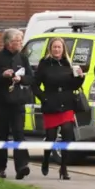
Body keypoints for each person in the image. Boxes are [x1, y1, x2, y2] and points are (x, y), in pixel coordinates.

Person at [35, 37, 86, 180]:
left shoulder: (67, 63)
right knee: (51, 137)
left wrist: (80, 77)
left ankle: (64, 168)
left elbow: (74, 85)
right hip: (51, 104)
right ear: (50, 49)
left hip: (67, 104)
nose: (57, 49)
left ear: (63, 49)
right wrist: (43, 97)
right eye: (54, 47)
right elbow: (35, 84)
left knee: (67, 134)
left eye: (59, 47)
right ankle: (46, 158)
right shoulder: (44, 64)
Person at [0, 28, 33, 180]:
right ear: (8, 43)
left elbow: (31, 78)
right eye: (17, 41)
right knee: (2, 136)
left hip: (18, 102)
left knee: (19, 133)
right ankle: (0, 168)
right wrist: (2, 76)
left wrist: (21, 79)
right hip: (1, 103)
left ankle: (22, 166)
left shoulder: (23, 58)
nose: (19, 43)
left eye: (20, 41)